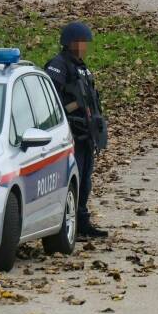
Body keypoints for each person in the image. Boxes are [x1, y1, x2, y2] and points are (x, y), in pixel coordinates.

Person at [45, 22, 109, 239]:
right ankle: (67, 221)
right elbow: (51, 101)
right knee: (75, 178)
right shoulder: (58, 66)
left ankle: (82, 220)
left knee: (86, 179)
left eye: (85, 43)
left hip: (86, 134)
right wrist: (75, 107)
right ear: (70, 43)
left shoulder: (82, 67)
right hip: (69, 134)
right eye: (80, 42)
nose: (84, 47)